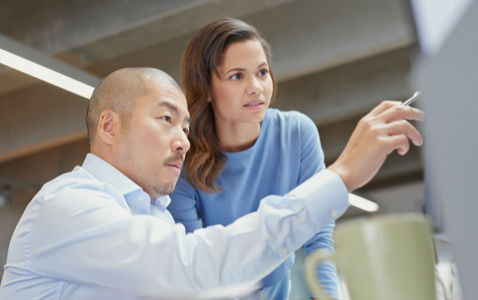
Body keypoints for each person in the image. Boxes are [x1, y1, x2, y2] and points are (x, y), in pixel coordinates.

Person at [0, 67, 423, 300]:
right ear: (109, 126)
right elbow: (195, 268)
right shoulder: (68, 205)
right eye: (166, 119)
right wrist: (341, 174)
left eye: (185, 126)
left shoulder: (155, 219)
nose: (183, 140)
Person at [168, 18, 425, 300]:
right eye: (237, 76)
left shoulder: (296, 133)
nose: (256, 87)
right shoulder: (180, 159)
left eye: (262, 72)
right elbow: (194, 272)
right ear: (205, 88)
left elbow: (318, 234)